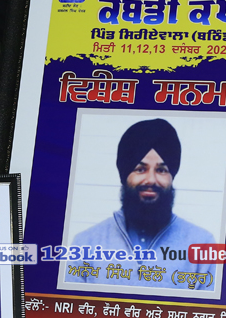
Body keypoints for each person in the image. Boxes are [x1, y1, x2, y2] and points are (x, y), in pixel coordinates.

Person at [67, 118, 217, 291]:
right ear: (125, 176)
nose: (151, 179)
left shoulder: (203, 245)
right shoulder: (85, 243)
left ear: (172, 177)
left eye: (161, 170)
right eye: (140, 169)